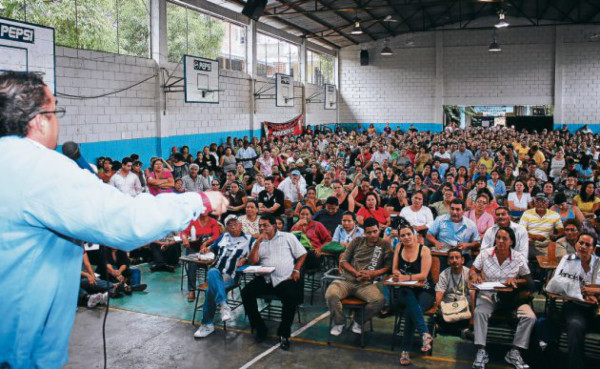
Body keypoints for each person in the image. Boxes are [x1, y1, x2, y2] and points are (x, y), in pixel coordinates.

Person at [0, 72, 229, 368]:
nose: (58, 121)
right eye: (55, 111)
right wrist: (200, 200)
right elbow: (127, 223)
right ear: (38, 120)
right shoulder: (39, 168)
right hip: (18, 350)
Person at [470, 227, 536, 369]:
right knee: (479, 312)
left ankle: (514, 351)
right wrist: (475, 275)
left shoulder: (518, 257)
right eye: (498, 237)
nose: (500, 241)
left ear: (511, 241)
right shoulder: (485, 254)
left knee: (530, 316)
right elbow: (473, 269)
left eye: (504, 239)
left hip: (512, 298)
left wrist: (516, 281)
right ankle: (481, 350)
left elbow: (529, 281)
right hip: (489, 295)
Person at [241, 214, 307, 350]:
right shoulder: (258, 241)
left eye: (265, 225)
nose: (262, 228)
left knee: (290, 299)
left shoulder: (288, 237)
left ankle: (284, 334)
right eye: (260, 225)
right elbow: (253, 261)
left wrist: (296, 270)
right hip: (265, 279)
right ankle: (260, 327)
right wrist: (257, 244)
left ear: (274, 226)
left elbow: (302, 254)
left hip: (284, 279)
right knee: (246, 292)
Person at [540, 233, 600, 369]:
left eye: (587, 244)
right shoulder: (568, 259)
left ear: (593, 248)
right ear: (576, 244)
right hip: (576, 307)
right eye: (580, 243)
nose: (583, 247)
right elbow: (556, 284)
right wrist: (583, 291)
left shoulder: (598, 263)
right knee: (574, 325)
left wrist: (594, 291)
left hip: (596, 307)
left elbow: (568, 284)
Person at [325, 218, 392, 337]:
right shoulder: (357, 241)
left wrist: (373, 274)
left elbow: (388, 267)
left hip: (366, 284)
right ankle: (339, 322)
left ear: (379, 230)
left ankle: (358, 321)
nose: (372, 235)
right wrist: (356, 273)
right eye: (369, 232)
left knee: (379, 300)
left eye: (375, 231)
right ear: (364, 232)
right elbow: (344, 261)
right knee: (331, 295)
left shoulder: (384, 244)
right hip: (346, 280)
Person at [194, 215, 254, 338]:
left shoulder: (249, 239)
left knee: (211, 289)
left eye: (234, 224)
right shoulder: (223, 237)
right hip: (216, 272)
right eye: (229, 225)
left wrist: (246, 259)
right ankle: (223, 305)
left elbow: (256, 258)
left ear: (240, 225)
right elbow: (212, 249)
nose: (232, 227)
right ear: (226, 227)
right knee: (212, 272)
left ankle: (207, 324)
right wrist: (207, 250)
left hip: (231, 275)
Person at [391, 223, 435, 366]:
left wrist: (405, 277)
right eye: (402, 235)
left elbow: (423, 275)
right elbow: (395, 269)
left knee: (411, 310)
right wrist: (398, 275)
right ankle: (424, 333)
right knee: (408, 297)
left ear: (414, 234)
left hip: (424, 291)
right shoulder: (399, 247)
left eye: (409, 234)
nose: (406, 237)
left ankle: (405, 350)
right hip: (405, 290)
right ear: (399, 237)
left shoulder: (424, 250)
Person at [181, 213, 222, 302]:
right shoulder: (192, 221)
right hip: (194, 245)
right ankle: (192, 290)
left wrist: (206, 244)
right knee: (192, 262)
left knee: (213, 261)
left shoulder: (213, 222)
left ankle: (211, 286)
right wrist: (185, 239)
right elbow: (184, 232)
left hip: (208, 246)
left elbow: (216, 236)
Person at [432, 247, 472, 333]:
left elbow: (473, 294)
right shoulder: (443, 274)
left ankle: (451, 328)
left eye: (457, 257)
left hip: (464, 304)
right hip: (448, 304)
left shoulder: (469, 273)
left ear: (462, 260)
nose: (454, 260)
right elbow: (439, 293)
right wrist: (436, 307)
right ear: (448, 261)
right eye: (451, 258)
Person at [519, 193, 564, 258]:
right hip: (531, 244)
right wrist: (535, 236)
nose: (540, 204)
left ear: (548, 203)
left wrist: (556, 235)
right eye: (537, 202)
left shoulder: (555, 215)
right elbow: (521, 231)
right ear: (534, 203)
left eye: (543, 202)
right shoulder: (527, 213)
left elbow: (561, 230)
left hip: (548, 245)